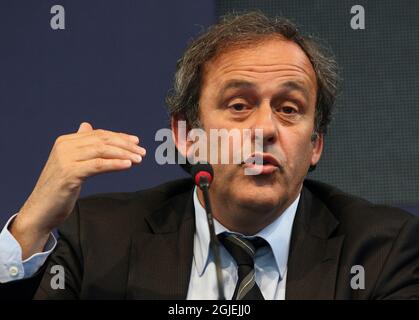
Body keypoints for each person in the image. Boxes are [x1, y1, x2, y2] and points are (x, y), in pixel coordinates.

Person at [1, 12, 418, 300]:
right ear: (186, 137)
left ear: (315, 146)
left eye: (289, 109)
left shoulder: (380, 250)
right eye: (239, 106)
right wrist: (30, 227)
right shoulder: (98, 240)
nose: (266, 129)